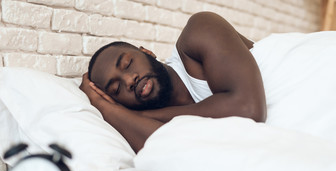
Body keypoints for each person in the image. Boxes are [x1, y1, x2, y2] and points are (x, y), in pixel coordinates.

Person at [80, 11, 267, 153]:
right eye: (116, 88)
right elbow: (171, 152)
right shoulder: (148, 122)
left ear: (148, 53)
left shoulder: (199, 31)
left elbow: (248, 110)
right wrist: (104, 108)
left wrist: (140, 115)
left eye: (128, 64)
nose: (129, 80)